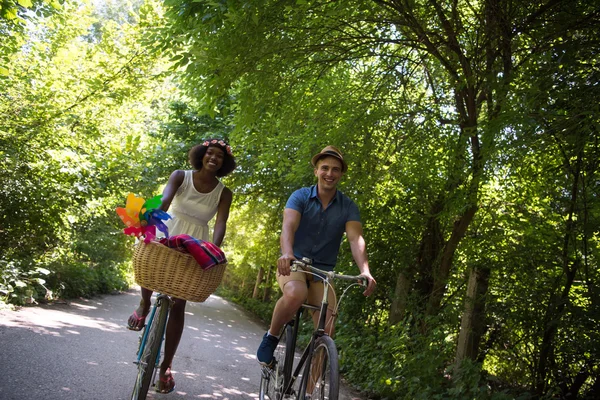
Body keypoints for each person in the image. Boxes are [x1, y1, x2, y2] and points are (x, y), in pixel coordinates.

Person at [127, 138, 236, 393]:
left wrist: (214, 247)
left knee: (179, 303)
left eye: (219, 156)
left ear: (224, 162)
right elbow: (165, 200)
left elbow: (220, 222)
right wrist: (150, 226)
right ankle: (144, 304)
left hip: (196, 240)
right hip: (170, 227)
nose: (213, 158)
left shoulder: (224, 193)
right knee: (151, 264)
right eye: (210, 153)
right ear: (201, 155)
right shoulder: (181, 176)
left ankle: (165, 367)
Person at [256, 145, 376, 368]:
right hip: (295, 264)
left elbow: (355, 239)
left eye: (335, 169)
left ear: (341, 174)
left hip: (323, 272)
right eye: (325, 168)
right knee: (296, 293)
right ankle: (272, 336)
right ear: (316, 171)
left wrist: (365, 270)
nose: (329, 173)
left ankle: (310, 393)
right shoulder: (300, 196)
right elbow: (288, 227)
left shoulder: (348, 207)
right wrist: (287, 253)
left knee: (327, 330)